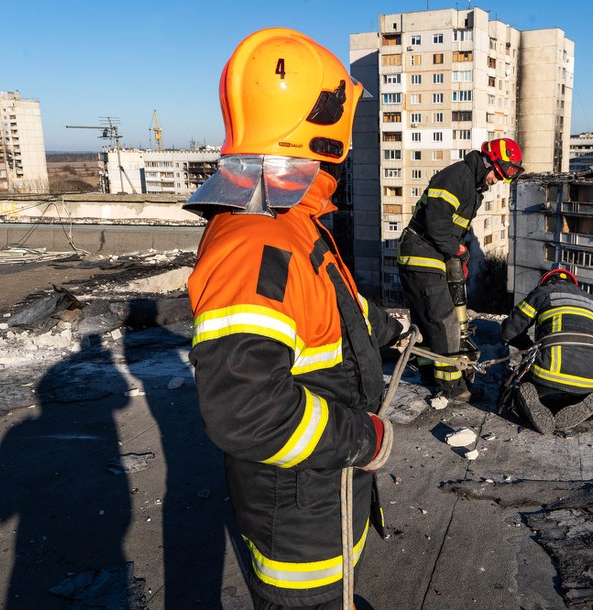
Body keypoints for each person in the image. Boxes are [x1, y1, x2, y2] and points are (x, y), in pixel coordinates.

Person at [183, 28, 403, 609]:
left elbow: (327, 303)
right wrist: (363, 438)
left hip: (324, 492)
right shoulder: (258, 242)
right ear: (325, 124)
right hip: (301, 512)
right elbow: (247, 410)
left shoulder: (291, 221)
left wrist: (389, 330)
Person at [397, 138, 524, 403]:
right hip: (421, 253)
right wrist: (459, 251)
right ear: (488, 161)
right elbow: (436, 223)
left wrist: (458, 254)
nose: (496, 181)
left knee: (428, 321)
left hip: (428, 254)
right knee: (445, 321)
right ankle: (451, 386)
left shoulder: (473, 186)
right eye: (496, 174)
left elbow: (452, 230)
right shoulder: (457, 177)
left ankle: (430, 375)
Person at [500, 268, 593, 434]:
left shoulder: (543, 292)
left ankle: (529, 405)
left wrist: (528, 348)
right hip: (592, 376)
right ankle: (580, 401)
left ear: (545, 282)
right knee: (574, 388)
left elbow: (509, 331)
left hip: (549, 371)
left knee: (518, 390)